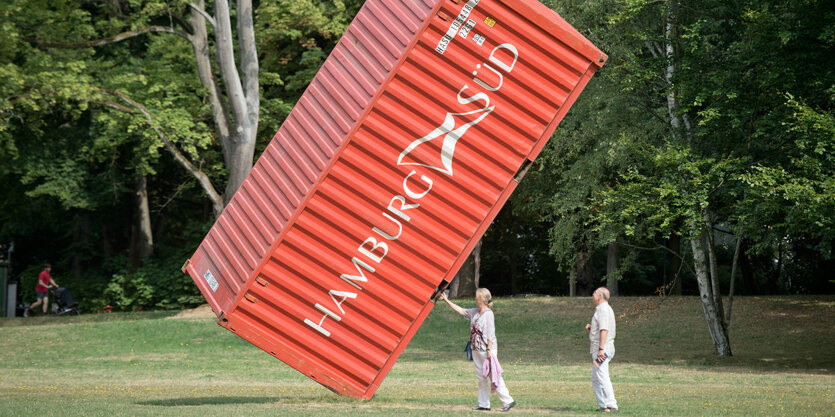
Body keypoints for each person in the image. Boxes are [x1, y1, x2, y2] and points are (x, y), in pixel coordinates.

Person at [440, 288, 516, 412]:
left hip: (487, 350)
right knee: (481, 377)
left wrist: (489, 350)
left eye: (476, 297)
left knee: (494, 375)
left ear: (482, 299)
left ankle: (508, 401)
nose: (475, 299)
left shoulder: (488, 314)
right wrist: (446, 300)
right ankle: (484, 404)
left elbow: (491, 333)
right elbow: (461, 311)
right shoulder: (475, 312)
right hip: (476, 349)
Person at [584, 287, 619, 412]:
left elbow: (604, 329)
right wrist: (591, 327)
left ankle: (611, 405)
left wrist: (600, 349)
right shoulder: (602, 309)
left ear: (600, 296)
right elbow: (600, 327)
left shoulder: (603, 309)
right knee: (596, 377)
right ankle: (604, 405)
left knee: (602, 376)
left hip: (602, 349)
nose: (592, 294)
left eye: (594, 293)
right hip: (601, 347)